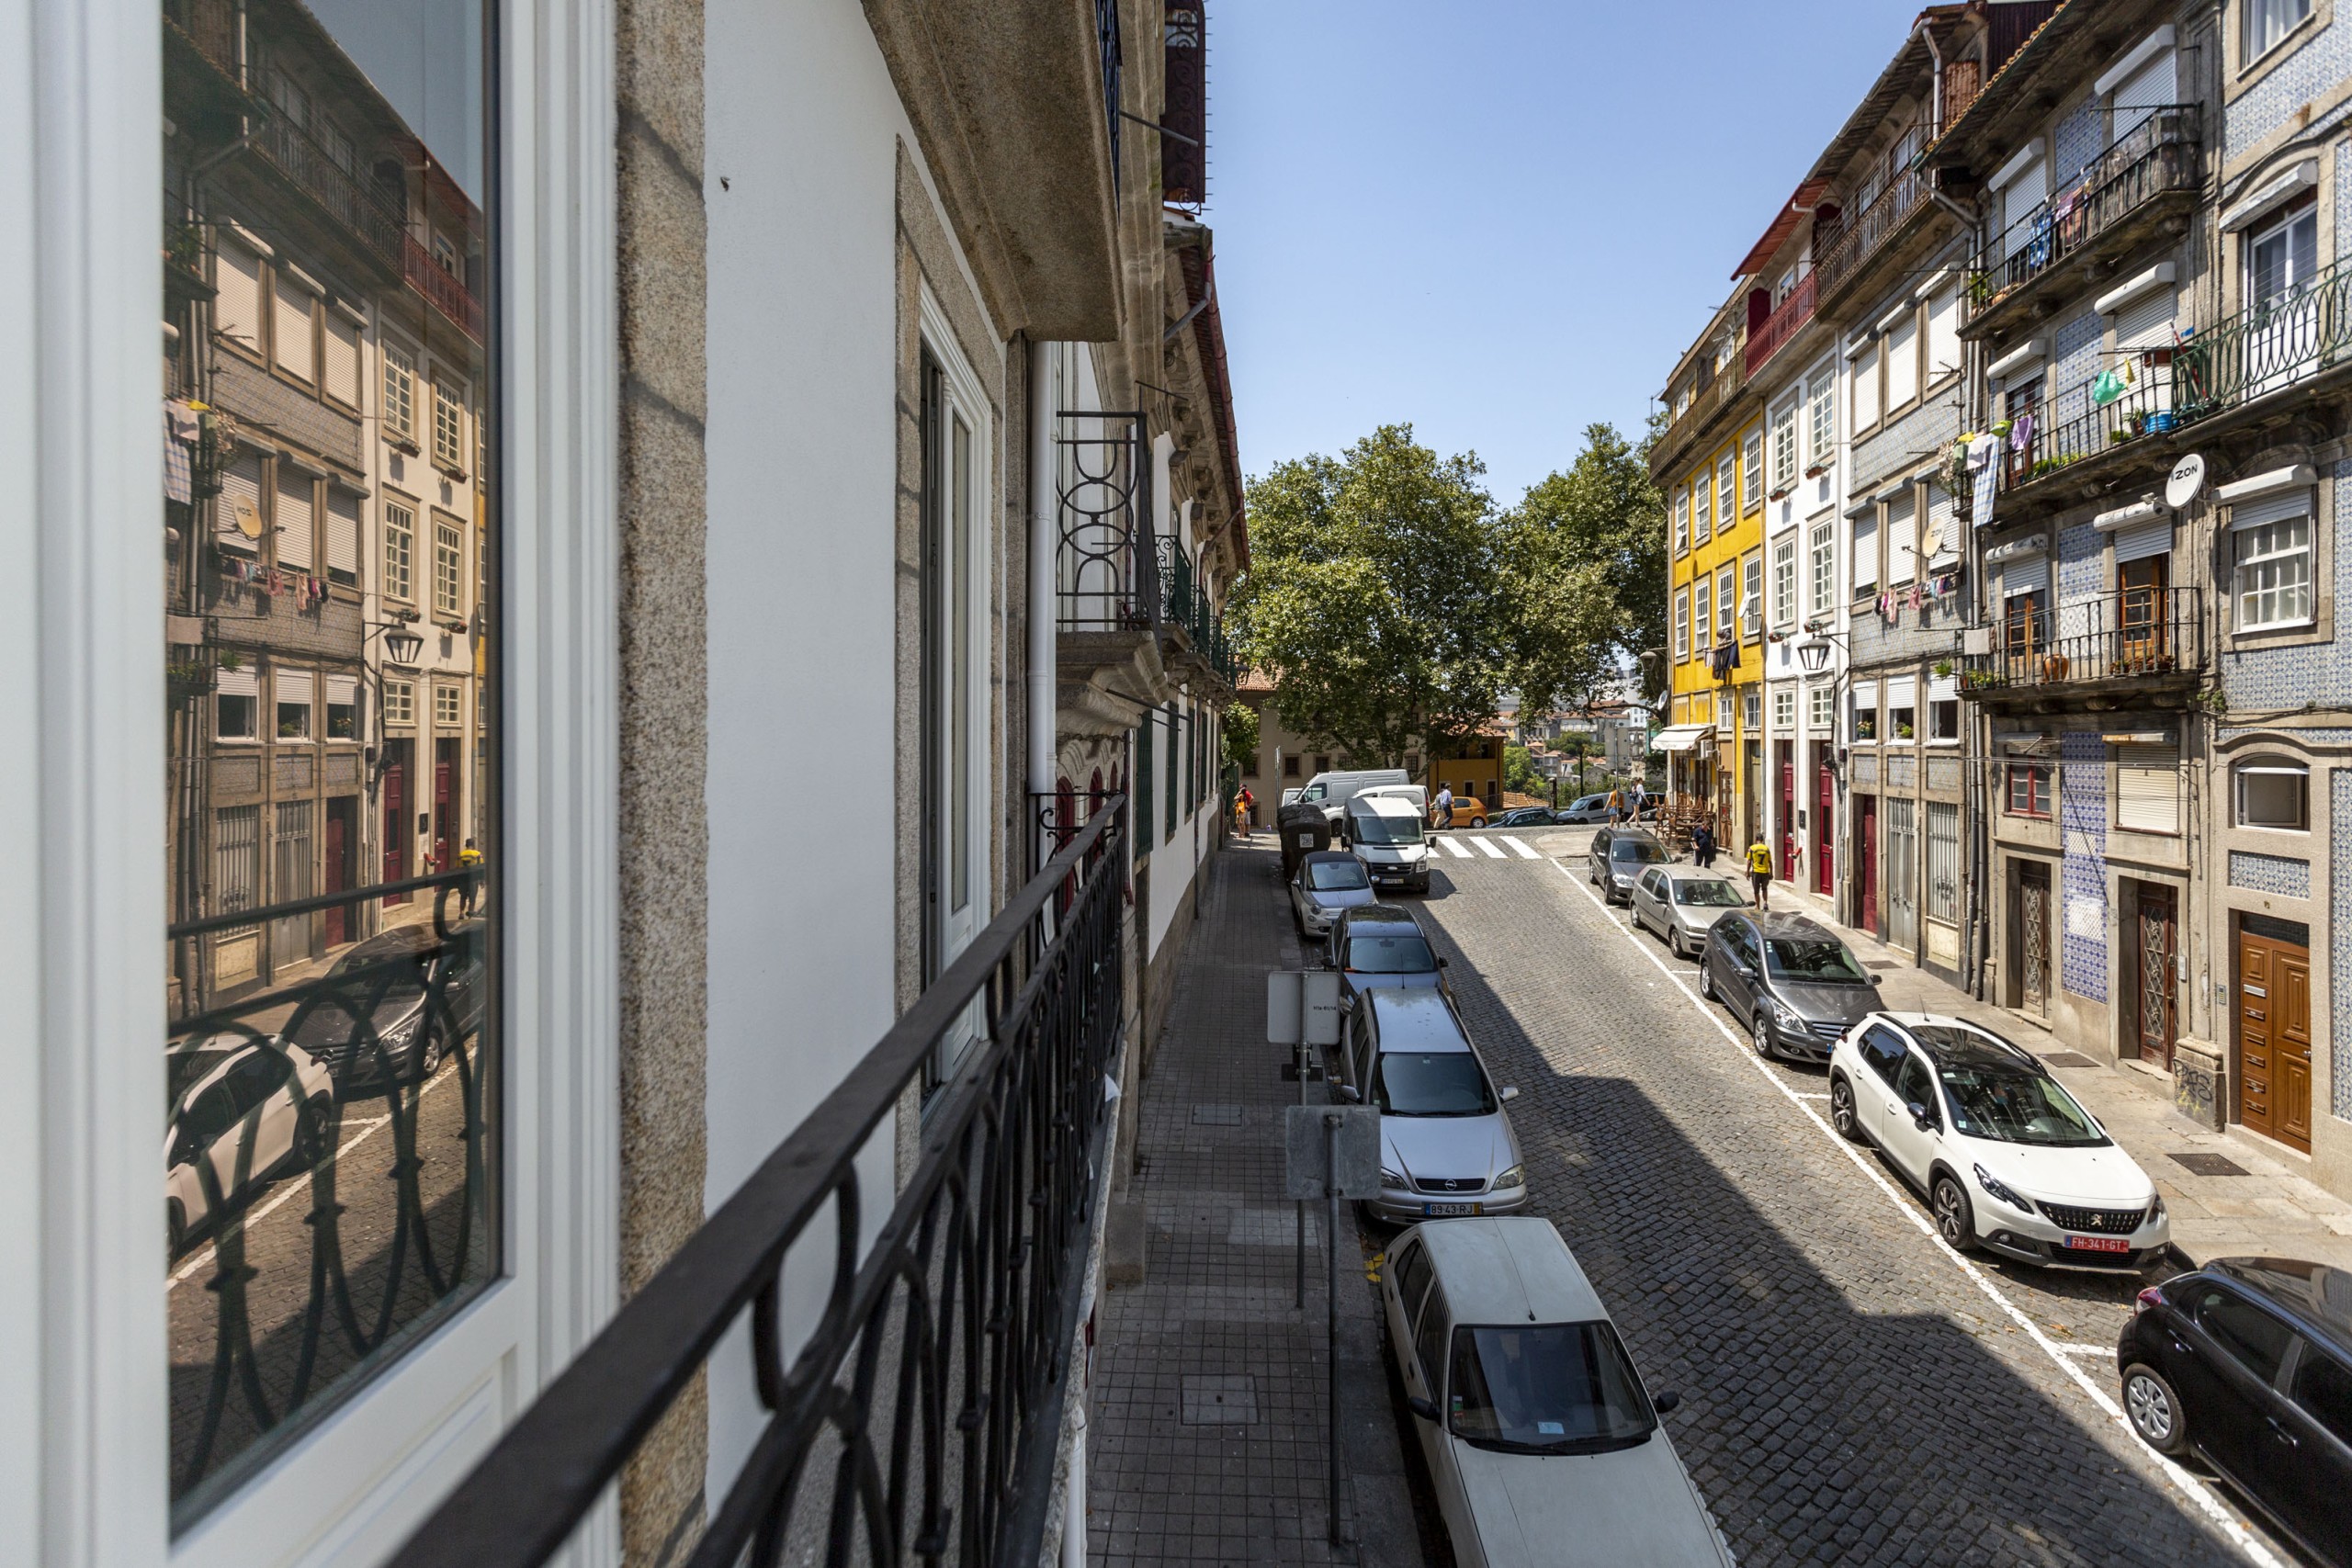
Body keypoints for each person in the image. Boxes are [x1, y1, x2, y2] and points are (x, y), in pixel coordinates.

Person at [1747, 836, 1774, 910]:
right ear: (1762, 840)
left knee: (1756, 891)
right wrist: (1771, 873)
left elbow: (1749, 861)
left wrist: (1748, 872)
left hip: (1756, 872)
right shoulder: (1766, 849)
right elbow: (1770, 862)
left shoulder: (1752, 848)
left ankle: (1758, 906)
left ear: (1756, 839)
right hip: (1765, 872)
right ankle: (1765, 902)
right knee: (1764, 889)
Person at [458, 837, 484, 914]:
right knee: (472, 898)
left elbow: (458, 867)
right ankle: (470, 913)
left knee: (463, 897)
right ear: (473, 845)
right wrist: (482, 880)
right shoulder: (478, 854)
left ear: (466, 845)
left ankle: (461, 912)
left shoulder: (461, 854)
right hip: (474, 878)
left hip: (463, 878)